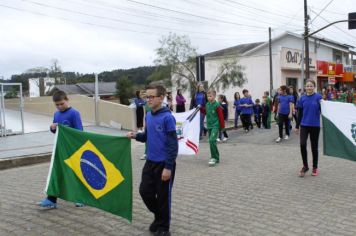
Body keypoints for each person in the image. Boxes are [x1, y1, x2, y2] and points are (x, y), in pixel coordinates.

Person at [127, 85, 178, 236]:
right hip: (150, 162)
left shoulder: (168, 117)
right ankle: (160, 217)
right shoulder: (148, 115)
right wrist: (135, 135)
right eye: (146, 97)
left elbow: (172, 144)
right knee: (145, 192)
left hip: (164, 164)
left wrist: (168, 167)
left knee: (163, 197)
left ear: (161, 98)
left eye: (151, 97)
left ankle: (164, 227)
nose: (147, 100)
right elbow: (146, 137)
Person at [38, 90, 83, 209]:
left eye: (61, 104)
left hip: (72, 149)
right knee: (56, 172)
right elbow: (55, 131)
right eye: (57, 105)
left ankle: (80, 197)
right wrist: (52, 127)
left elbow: (80, 132)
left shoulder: (74, 113)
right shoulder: (56, 114)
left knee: (75, 174)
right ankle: (51, 199)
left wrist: (64, 129)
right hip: (59, 148)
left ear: (67, 100)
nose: (59, 106)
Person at [295, 80, 323, 177]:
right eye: (307, 86)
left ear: (314, 87)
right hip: (304, 125)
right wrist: (296, 126)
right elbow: (300, 113)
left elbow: (324, 111)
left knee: (314, 147)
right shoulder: (302, 98)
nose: (309, 87)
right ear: (305, 87)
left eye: (311, 86)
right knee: (302, 144)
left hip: (315, 125)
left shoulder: (318, 97)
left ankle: (315, 167)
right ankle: (305, 166)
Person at [206, 90, 225, 166]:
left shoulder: (217, 105)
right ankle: (215, 157)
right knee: (212, 142)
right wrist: (199, 108)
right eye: (208, 96)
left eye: (210, 96)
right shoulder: (207, 104)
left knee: (211, 140)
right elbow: (206, 112)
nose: (209, 97)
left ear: (214, 96)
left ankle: (214, 157)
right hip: (209, 125)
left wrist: (222, 127)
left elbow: (221, 117)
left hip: (215, 125)